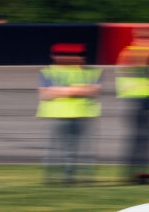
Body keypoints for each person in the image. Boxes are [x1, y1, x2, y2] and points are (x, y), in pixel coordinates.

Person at [37, 43, 102, 183]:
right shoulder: (47, 71)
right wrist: (78, 90)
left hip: (82, 114)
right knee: (55, 150)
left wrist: (61, 91)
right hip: (58, 114)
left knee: (84, 151)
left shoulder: (92, 72)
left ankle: (79, 178)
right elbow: (45, 94)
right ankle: (54, 179)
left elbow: (93, 91)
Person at [116, 26, 149, 183]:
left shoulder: (132, 52)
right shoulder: (139, 53)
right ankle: (137, 175)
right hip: (140, 101)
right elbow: (145, 73)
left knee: (138, 140)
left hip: (139, 101)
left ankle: (134, 173)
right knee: (141, 140)